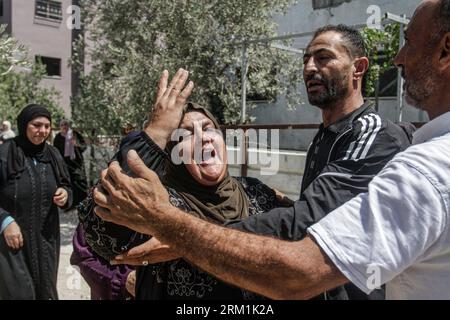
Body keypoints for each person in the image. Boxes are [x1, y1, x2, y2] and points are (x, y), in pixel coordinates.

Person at [94, 0, 450, 300]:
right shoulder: (167, 197)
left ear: (358, 69)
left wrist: (178, 235)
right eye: (185, 133)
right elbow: (101, 231)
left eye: (323, 58)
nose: (309, 67)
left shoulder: (374, 139)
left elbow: (304, 226)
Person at [78, 70, 288, 300]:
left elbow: (310, 233)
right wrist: (156, 131)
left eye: (208, 128)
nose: (204, 138)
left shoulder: (255, 192)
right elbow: (99, 231)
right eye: (186, 134)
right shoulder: (161, 200)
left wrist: (183, 239)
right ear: (171, 154)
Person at [0, 104, 72, 300]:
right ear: (24, 125)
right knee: (19, 293)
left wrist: (65, 194)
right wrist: (5, 221)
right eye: (36, 125)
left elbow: (67, 185)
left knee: (45, 292)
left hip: (46, 240)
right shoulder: (6, 153)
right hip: (12, 242)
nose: (43, 131)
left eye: (47, 126)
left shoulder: (53, 155)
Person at [53, 120, 88, 208]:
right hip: (65, 164)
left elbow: (84, 146)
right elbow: (55, 151)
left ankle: (82, 202)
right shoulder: (58, 137)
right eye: (62, 125)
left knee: (80, 181)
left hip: (77, 163)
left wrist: (77, 144)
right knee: (69, 182)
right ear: (60, 126)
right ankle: (72, 203)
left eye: (66, 124)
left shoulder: (75, 134)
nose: (64, 126)